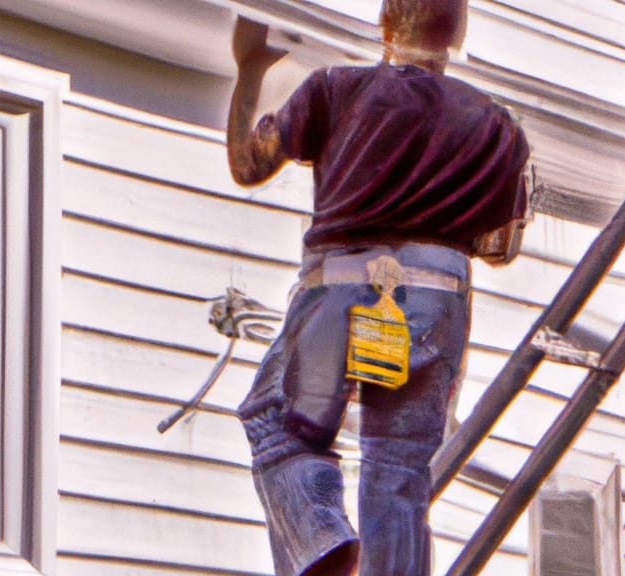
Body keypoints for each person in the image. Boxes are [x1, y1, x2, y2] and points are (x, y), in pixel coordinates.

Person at [227, 1, 530, 574]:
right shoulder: (498, 125)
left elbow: (248, 164)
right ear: (457, 36)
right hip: (435, 300)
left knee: (280, 424)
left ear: (386, 26)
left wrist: (248, 68)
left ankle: (326, 548)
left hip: (344, 291)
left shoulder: (336, 90)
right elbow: (499, 247)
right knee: (399, 469)